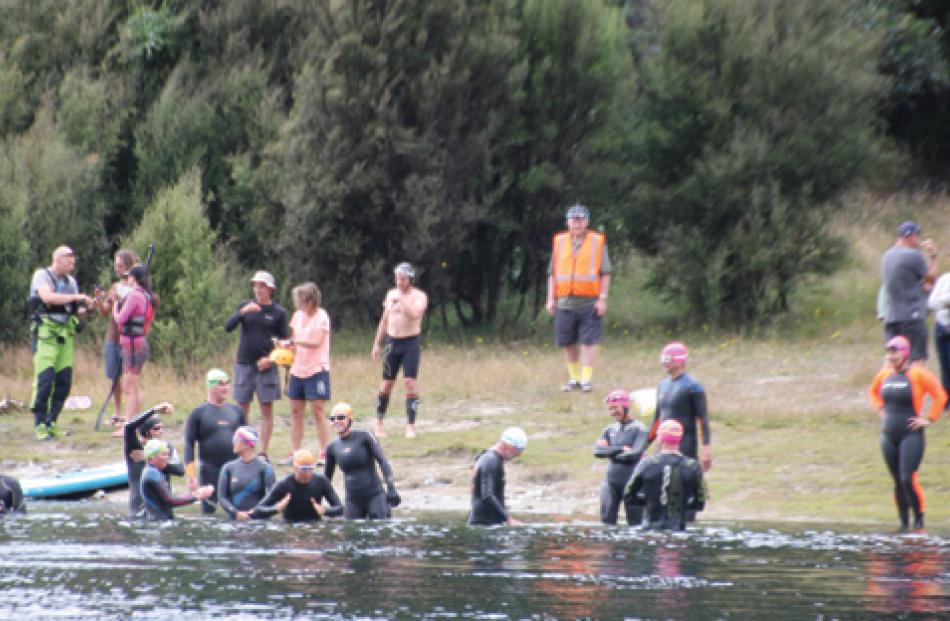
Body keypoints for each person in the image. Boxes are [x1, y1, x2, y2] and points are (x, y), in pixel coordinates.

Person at [868, 335, 947, 531]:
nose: (890, 356)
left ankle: (919, 521)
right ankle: (903, 525)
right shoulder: (884, 375)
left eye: (894, 352)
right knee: (897, 481)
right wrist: (879, 409)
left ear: (904, 354)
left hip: (910, 435)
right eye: (889, 352)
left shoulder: (918, 374)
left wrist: (928, 419)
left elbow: (941, 396)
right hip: (888, 436)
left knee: (907, 478)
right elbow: (873, 392)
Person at [27, 246, 94, 440]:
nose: (72, 265)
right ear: (57, 259)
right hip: (45, 336)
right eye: (68, 261)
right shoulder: (42, 276)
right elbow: (47, 297)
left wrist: (89, 308)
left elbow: (72, 311)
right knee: (44, 381)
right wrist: (77, 297)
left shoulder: (70, 282)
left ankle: (52, 422)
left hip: (65, 337)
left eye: (74, 261)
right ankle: (39, 424)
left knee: (63, 382)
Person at [545, 204, 611, 393]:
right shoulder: (559, 242)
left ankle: (586, 380)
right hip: (564, 302)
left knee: (589, 342)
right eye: (574, 220)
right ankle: (574, 379)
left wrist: (602, 299)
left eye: (581, 220)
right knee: (568, 342)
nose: (577, 224)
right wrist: (551, 298)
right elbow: (553, 273)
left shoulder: (597, 242)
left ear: (587, 222)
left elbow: (605, 272)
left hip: (589, 302)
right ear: (567, 222)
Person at [224, 270, 290, 457]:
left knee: (266, 409)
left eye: (262, 286)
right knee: (241, 409)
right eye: (255, 285)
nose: (258, 289)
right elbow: (228, 327)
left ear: (271, 289)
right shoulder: (245, 305)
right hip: (244, 363)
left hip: (266, 367)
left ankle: (264, 451)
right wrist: (242, 312)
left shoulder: (279, 313)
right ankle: (242, 448)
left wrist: (271, 359)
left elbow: (284, 343)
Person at [371, 262, 429, 438]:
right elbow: (384, 320)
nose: (399, 282)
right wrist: (376, 343)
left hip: (410, 342)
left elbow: (414, 314)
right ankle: (379, 423)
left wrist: (402, 300)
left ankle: (410, 425)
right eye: (397, 278)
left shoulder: (419, 296)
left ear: (410, 279)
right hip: (392, 342)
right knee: (386, 384)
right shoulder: (390, 294)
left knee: (409, 382)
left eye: (402, 279)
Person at [624, 420, 707, 531]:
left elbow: (628, 495)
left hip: (650, 530)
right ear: (680, 439)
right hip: (678, 530)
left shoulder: (647, 464)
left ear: (660, 438)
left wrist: (650, 501)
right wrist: (679, 504)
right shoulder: (692, 466)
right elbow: (700, 503)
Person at [184, 369, 247, 514]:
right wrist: (191, 475)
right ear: (210, 386)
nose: (225, 388)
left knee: (239, 512)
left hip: (234, 469)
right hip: (210, 470)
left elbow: (248, 442)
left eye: (227, 384)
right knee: (209, 513)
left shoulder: (236, 412)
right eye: (220, 384)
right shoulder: (198, 413)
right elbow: (189, 446)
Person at [281, 282, 331, 464]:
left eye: (299, 300)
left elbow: (316, 341)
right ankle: (295, 452)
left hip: (316, 369)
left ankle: (325, 452)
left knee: (318, 411)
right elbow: (295, 343)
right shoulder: (297, 316)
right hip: (297, 370)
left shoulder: (322, 316)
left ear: (309, 301)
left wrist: (294, 341)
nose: (297, 303)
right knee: (295, 412)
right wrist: (286, 352)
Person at [324, 403, 401, 520]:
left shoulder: (364, 437)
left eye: (341, 417)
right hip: (352, 500)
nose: (336, 421)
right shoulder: (332, 447)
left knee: (381, 530)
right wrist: (327, 504)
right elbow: (326, 480)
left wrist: (391, 488)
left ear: (350, 420)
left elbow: (383, 461)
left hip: (375, 495)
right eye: (332, 419)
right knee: (352, 532)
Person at [648, 342, 712, 473]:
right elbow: (657, 420)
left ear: (679, 361)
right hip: (662, 447)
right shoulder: (662, 385)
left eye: (666, 359)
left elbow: (702, 419)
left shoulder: (693, 387)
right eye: (662, 359)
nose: (662, 363)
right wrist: (643, 446)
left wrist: (706, 449)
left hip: (685, 446)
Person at [881, 220, 939, 365]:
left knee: (893, 360)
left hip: (891, 317)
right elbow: (931, 280)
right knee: (917, 360)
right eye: (917, 235)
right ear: (910, 236)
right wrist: (933, 257)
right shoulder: (913, 256)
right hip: (912, 317)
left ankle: (887, 387)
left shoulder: (887, 256)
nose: (918, 239)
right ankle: (916, 388)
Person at [97, 249, 139, 430]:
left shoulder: (136, 288)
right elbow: (105, 311)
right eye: (116, 265)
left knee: (129, 377)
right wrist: (102, 301)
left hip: (129, 337)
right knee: (114, 375)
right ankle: (118, 412)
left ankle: (132, 414)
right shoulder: (115, 286)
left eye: (121, 265)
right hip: (112, 336)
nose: (117, 268)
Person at [595, 389, 649, 526]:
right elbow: (598, 451)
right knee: (606, 524)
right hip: (610, 483)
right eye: (610, 409)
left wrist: (611, 453)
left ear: (626, 407)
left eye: (616, 408)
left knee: (635, 525)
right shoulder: (609, 430)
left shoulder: (640, 429)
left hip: (634, 483)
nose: (613, 412)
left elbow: (634, 454)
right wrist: (620, 449)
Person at [124, 402, 184, 517]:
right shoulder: (136, 448)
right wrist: (154, 410)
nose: (161, 432)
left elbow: (180, 470)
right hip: (139, 509)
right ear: (146, 432)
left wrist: (160, 462)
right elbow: (128, 427)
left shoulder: (166, 448)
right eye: (156, 429)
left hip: (162, 508)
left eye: (162, 428)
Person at [112, 265, 154, 430]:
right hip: (135, 343)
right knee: (133, 386)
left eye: (129, 277)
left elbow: (120, 319)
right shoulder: (144, 295)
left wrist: (116, 306)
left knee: (129, 387)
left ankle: (128, 426)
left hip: (132, 344)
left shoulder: (135, 296)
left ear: (133, 279)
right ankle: (136, 421)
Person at [250, 449, 343, 522]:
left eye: (310, 468)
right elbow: (258, 510)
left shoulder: (321, 481)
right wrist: (276, 509)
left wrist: (325, 511)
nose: (307, 473)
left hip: (314, 525)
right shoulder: (284, 484)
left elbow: (340, 508)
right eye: (303, 469)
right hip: (290, 526)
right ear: (295, 468)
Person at [140, 439, 214, 521]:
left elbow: (170, 499)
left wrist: (196, 493)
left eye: (167, 455)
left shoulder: (153, 471)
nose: (167, 458)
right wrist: (197, 496)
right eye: (164, 455)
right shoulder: (151, 473)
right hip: (158, 524)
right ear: (151, 458)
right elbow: (171, 501)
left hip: (160, 522)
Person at [468, 427, 528, 526]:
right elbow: (487, 495)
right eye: (519, 450)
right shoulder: (491, 460)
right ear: (508, 446)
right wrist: (508, 519)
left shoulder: (487, 457)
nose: (519, 454)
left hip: (485, 522)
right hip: (484, 525)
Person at [217, 426, 277, 520]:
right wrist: (236, 513)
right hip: (234, 522)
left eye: (236, 439)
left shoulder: (264, 468)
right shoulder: (228, 468)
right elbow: (222, 497)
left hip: (258, 521)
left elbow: (272, 496)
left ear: (247, 444)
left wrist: (255, 512)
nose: (233, 442)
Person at [927, 262, 950, 405]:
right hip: (941, 326)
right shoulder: (944, 279)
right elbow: (931, 302)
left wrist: (942, 301)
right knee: (945, 367)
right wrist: (944, 302)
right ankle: (946, 404)